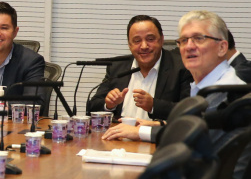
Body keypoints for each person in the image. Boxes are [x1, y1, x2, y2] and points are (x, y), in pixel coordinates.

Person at [104, 10, 246, 143]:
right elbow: (194, 121)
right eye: (184, 40)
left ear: (222, 48)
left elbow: (194, 133)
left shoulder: (227, 87)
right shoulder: (204, 84)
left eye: (199, 38)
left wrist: (141, 132)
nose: (189, 46)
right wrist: (159, 123)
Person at [85, 15, 191, 121]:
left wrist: (154, 106)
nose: (144, 46)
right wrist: (109, 105)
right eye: (137, 41)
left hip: (157, 136)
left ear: (161, 40)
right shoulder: (117, 67)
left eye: (150, 39)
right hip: (118, 135)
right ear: (129, 44)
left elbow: (189, 111)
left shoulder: (182, 67)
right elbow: (92, 107)